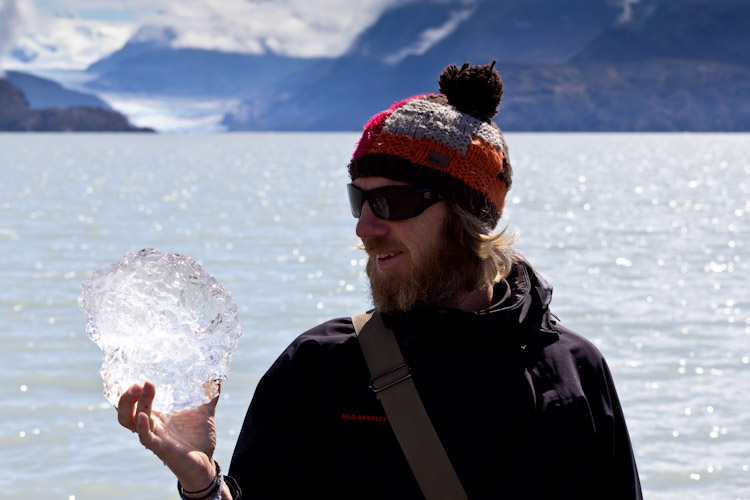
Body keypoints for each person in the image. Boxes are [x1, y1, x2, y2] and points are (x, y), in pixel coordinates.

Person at [117, 61, 643, 499]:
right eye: (359, 199)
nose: (365, 226)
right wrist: (203, 484)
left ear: (465, 217)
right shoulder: (321, 368)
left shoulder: (573, 374)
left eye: (391, 201)